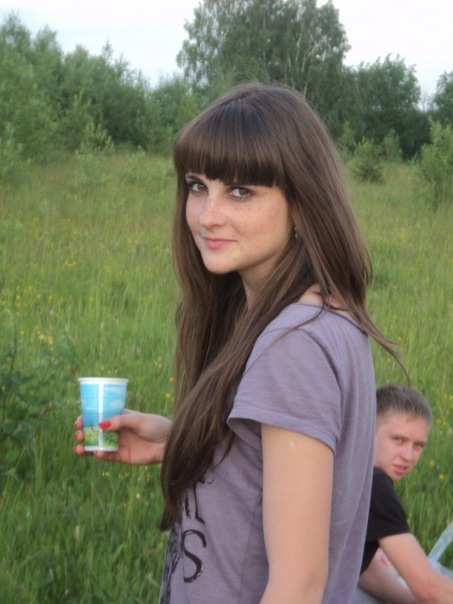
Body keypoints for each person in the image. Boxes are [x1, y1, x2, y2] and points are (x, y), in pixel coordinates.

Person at [74, 83, 400, 603]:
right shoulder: (325, 316)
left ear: (303, 199)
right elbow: (286, 468)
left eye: (241, 192)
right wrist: (176, 440)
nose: (207, 215)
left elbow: (298, 585)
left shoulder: (294, 344)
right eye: (197, 185)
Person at [354, 384, 453, 604]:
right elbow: (429, 587)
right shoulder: (375, 484)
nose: (408, 456)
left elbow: (360, 567)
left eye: (418, 445)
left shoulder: (352, 469)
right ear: (369, 430)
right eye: (398, 440)